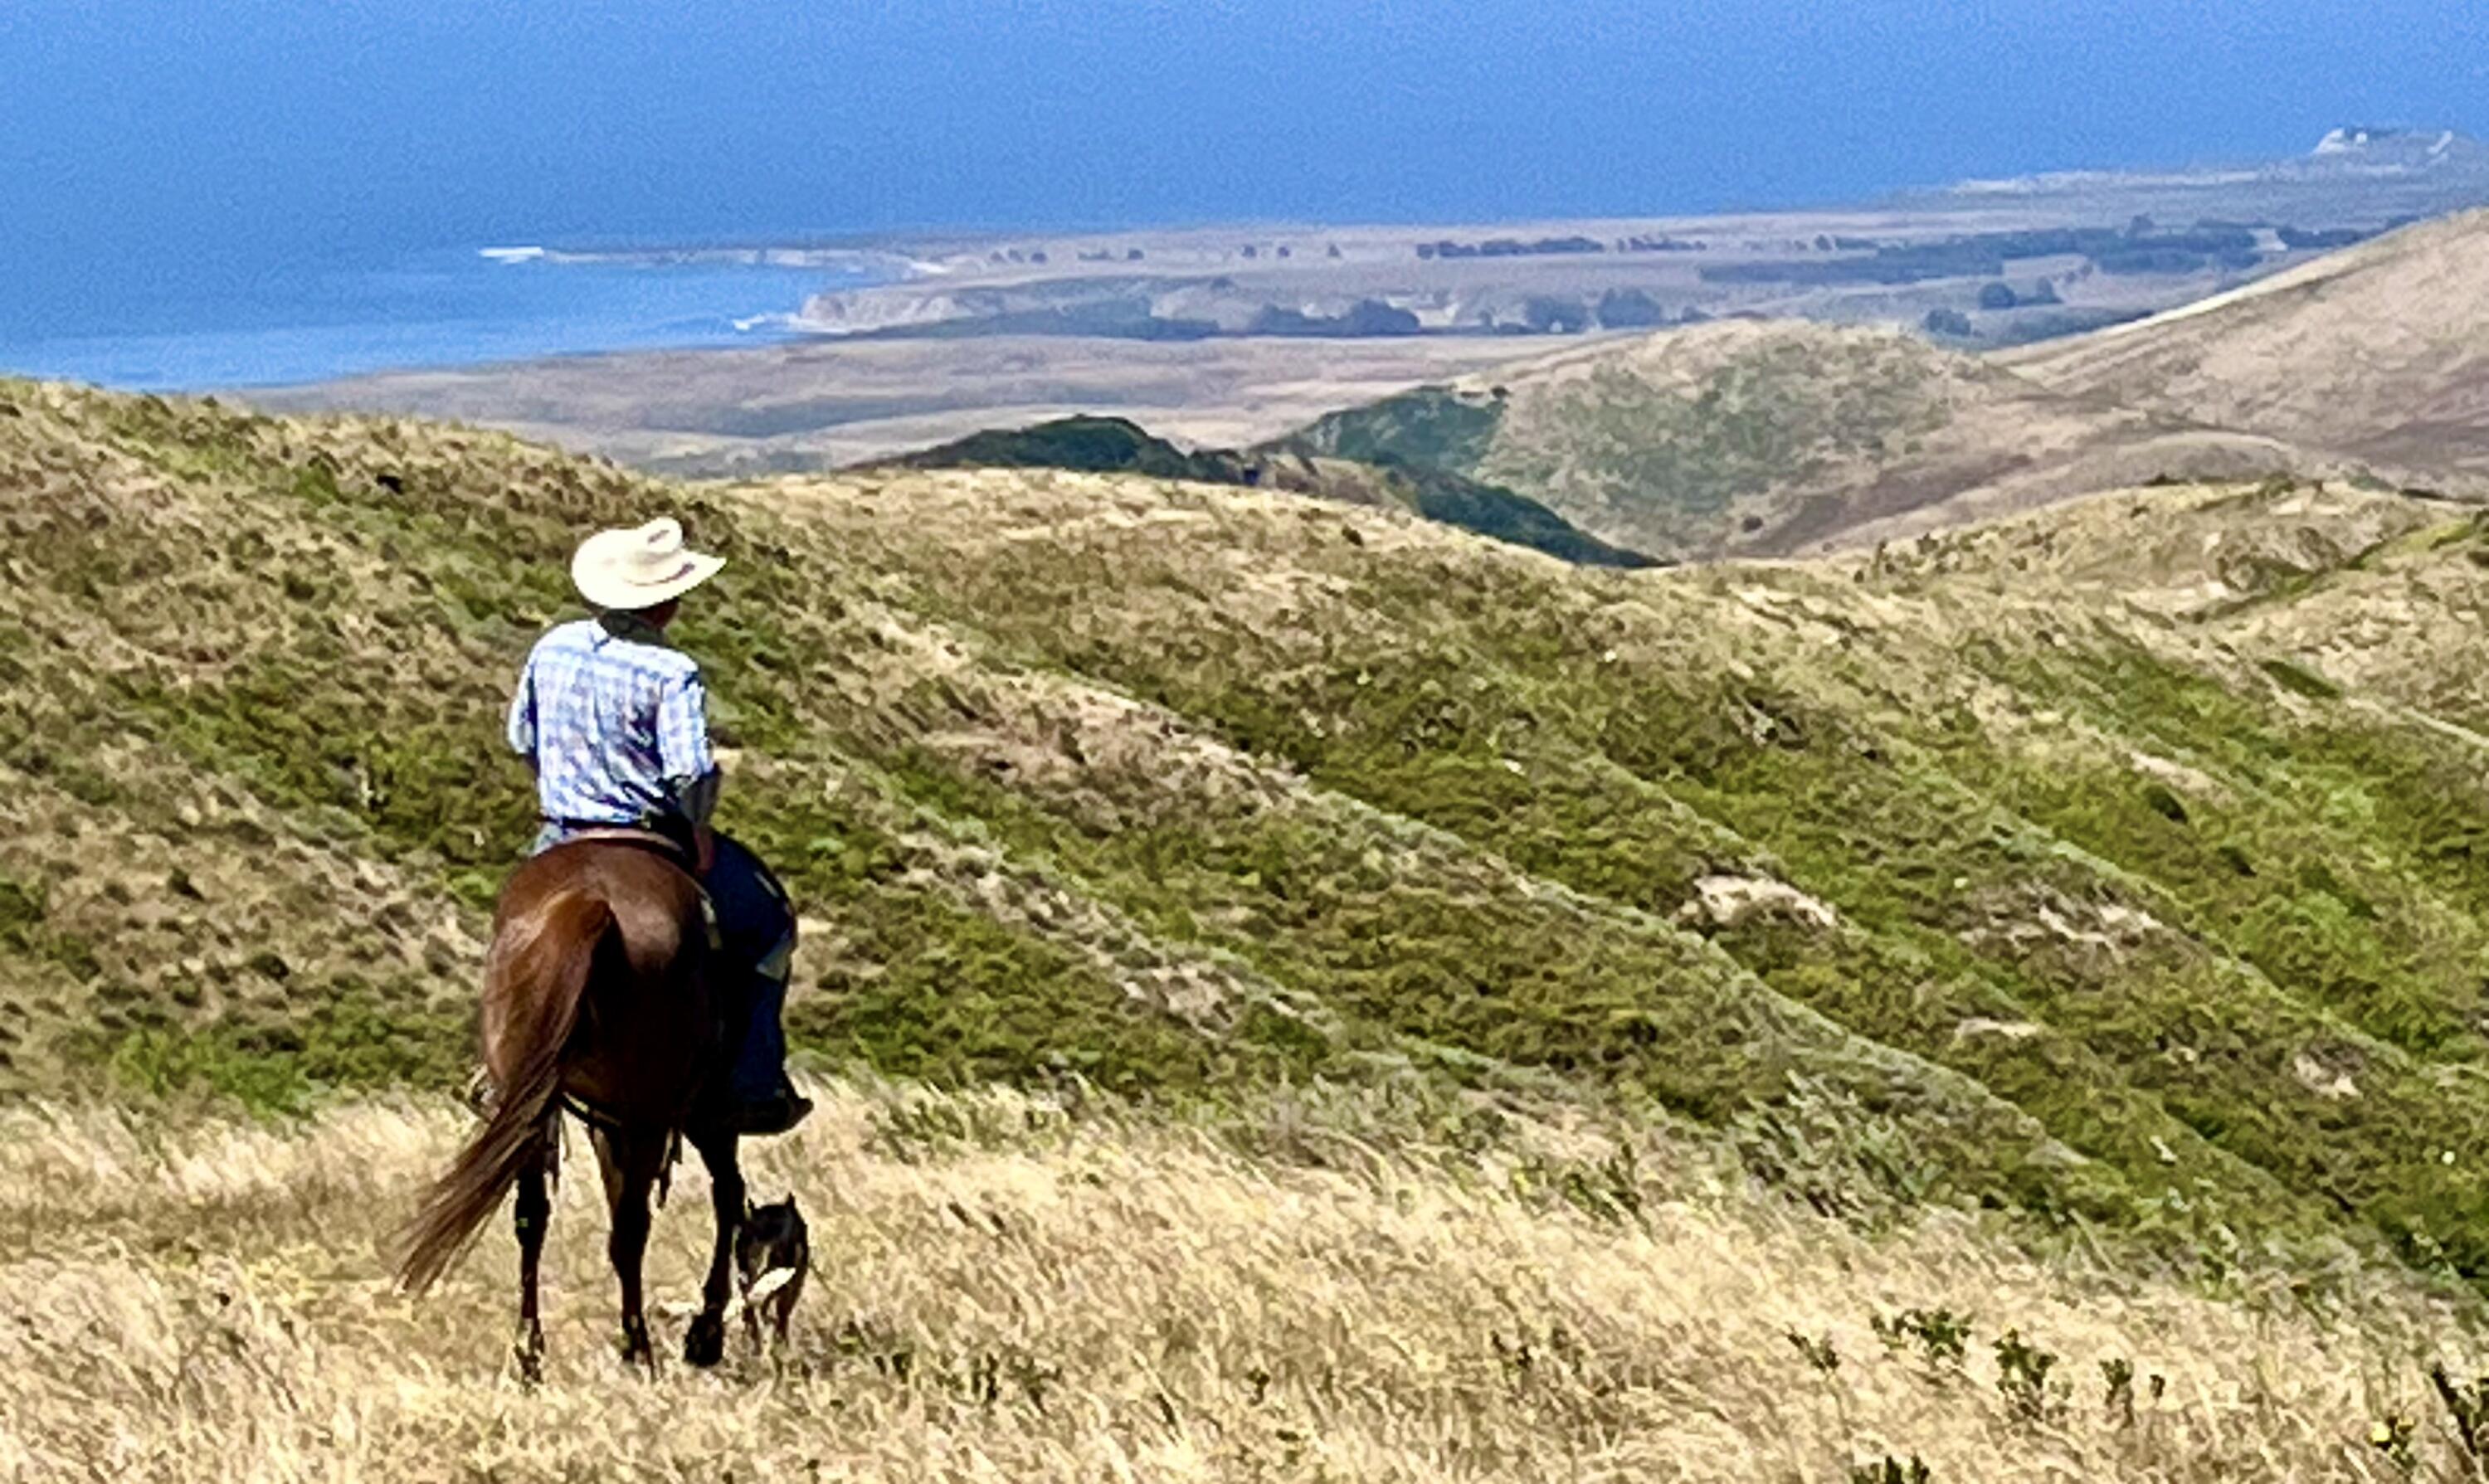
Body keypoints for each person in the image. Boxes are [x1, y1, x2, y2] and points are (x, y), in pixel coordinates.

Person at [503, 516, 811, 1136]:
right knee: (768, 926)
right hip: (652, 833)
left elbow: (520, 738)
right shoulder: (671, 672)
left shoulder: (553, 646)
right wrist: (697, 829)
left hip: (564, 831)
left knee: (515, 937)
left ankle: (498, 1070)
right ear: (666, 602)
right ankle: (753, 1081)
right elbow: (691, 773)